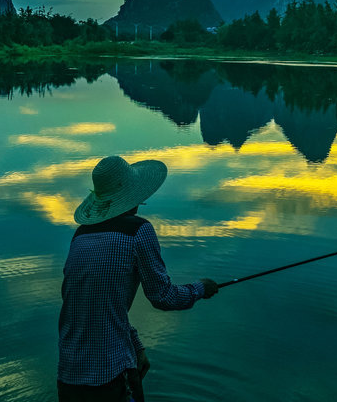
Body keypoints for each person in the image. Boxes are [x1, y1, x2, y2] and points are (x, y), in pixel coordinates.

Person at [57, 155, 219, 402]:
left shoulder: (80, 237)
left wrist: (136, 346)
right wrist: (200, 288)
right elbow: (162, 297)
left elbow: (97, 309)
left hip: (69, 377)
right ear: (135, 196)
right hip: (109, 377)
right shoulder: (137, 231)